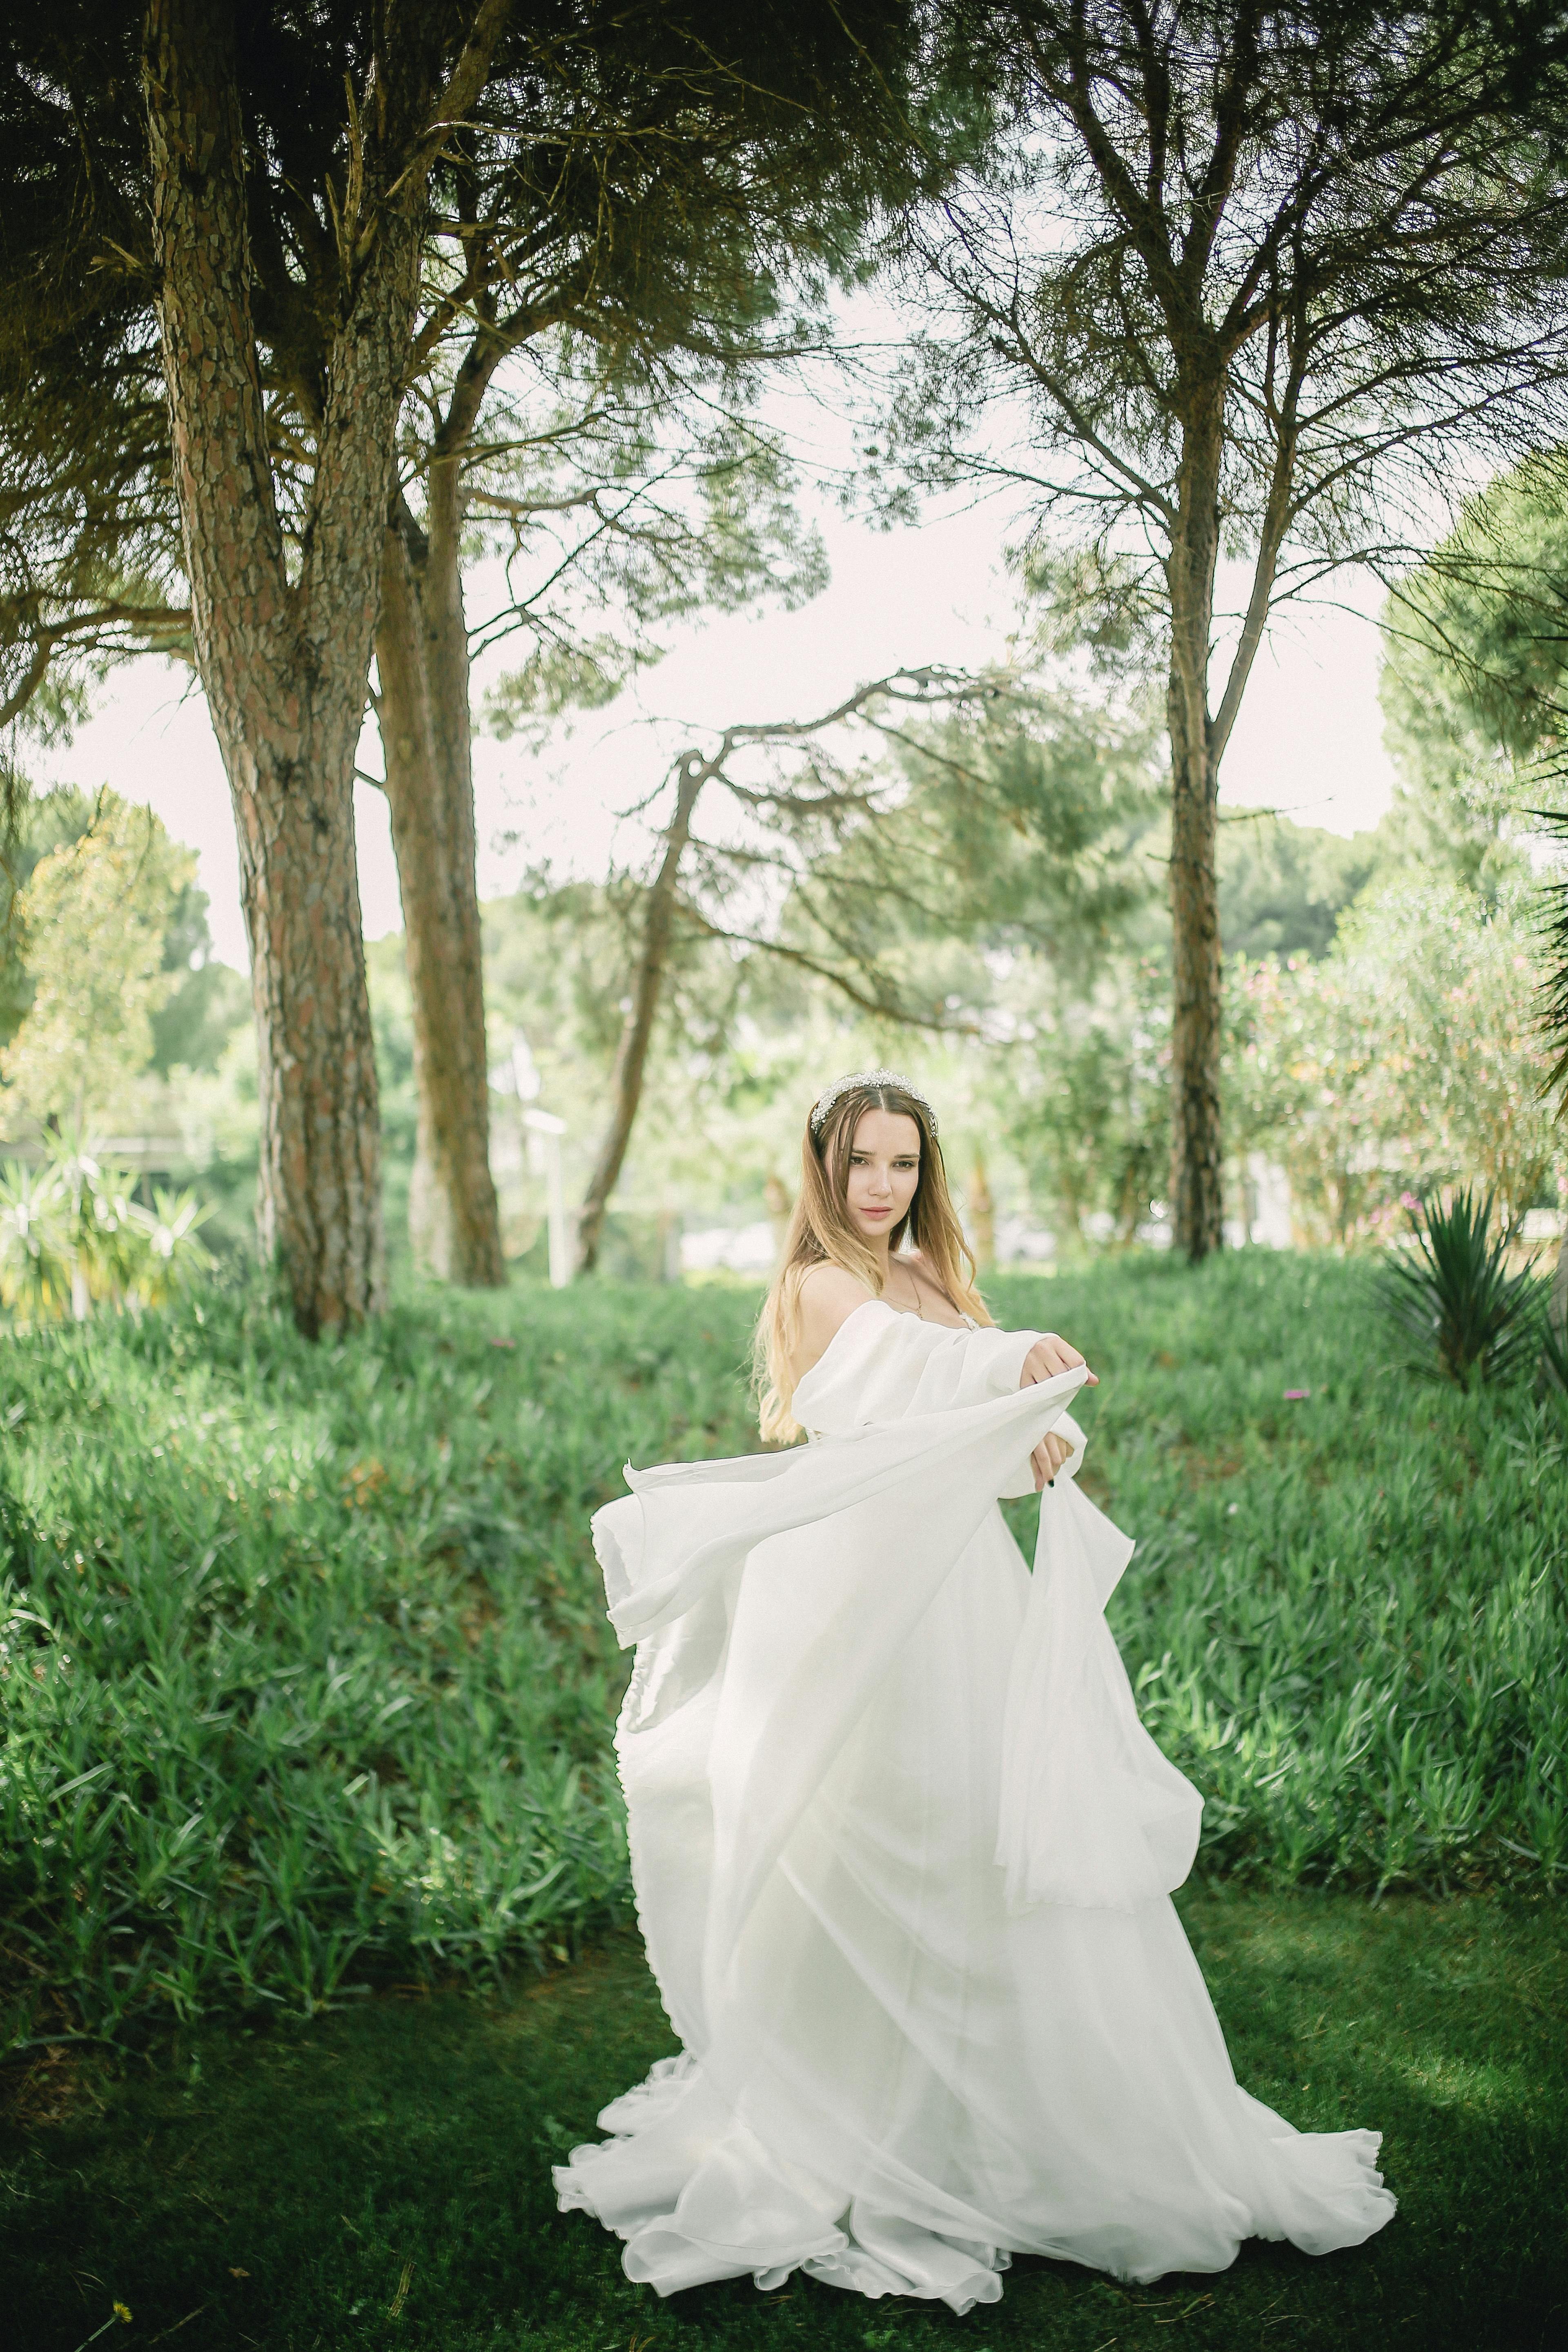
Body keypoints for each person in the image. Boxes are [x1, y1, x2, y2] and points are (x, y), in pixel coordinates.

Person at [555, 1070, 1395, 2313]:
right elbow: (895, 1381)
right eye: (861, 1165)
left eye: (901, 1164)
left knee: (990, 1848)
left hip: (961, 1597)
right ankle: (875, 2127)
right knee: (884, 1850)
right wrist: (1008, 1363)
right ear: (825, 1173)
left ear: (923, 1172)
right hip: (861, 1609)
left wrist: (1029, 1433)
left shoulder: (936, 1281)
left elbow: (965, 1439)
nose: (882, 1186)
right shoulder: (817, 1286)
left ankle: (1029, 2127)